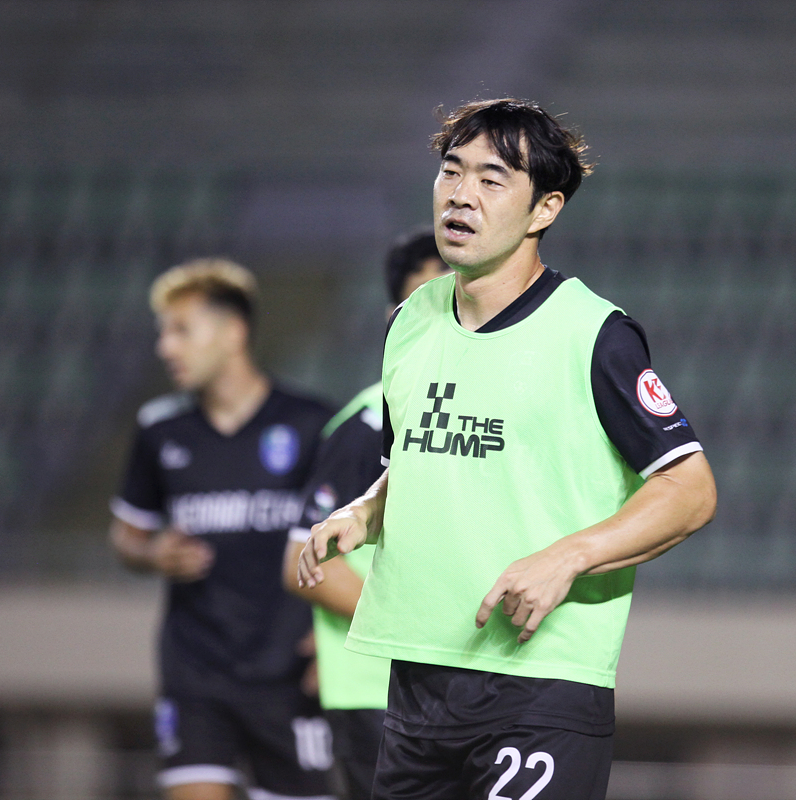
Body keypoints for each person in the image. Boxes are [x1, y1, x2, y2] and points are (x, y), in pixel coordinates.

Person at [299, 99, 717, 799]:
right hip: (418, 678)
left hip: (540, 682)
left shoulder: (594, 334)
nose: (461, 194)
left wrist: (567, 557)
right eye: (451, 171)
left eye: (492, 179)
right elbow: (417, 463)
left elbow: (690, 490)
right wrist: (366, 511)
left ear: (544, 209)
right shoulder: (410, 321)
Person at [109, 258, 336, 800]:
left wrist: (337, 641)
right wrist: (152, 554)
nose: (165, 347)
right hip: (197, 673)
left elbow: (356, 541)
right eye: (163, 332)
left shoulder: (312, 424)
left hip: (289, 670)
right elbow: (126, 535)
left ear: (233, 333)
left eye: (181, 330)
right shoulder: (161, 430)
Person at [281, 229, 449, 800]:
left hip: (444, 689)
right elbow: (303, 561)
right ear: (392, 319)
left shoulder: (469, 419)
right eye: (422, 300)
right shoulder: (369, 423)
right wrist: (416, 630)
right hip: (379, 693)